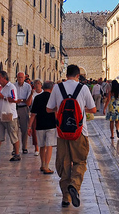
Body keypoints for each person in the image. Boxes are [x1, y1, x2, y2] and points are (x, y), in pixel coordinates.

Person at [46, 64, 97, 208]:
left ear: (66, 74)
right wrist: (81, 108)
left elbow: (49, 108)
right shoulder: (83, 88)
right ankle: (74, 185)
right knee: (80, 161)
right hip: (79, 132)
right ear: (78, 75)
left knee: (64, 163)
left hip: (62, 132)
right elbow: (93, 109)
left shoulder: (57, 88)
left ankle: (65, 198)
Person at [30, 81, 57, 174]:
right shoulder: (53, 98)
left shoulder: (37, 98)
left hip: (40, 125)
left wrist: (29, 126)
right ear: (52, 88)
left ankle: (42, 164)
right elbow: (56, 112)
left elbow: (33, 114)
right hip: (51, 125)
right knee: (49, 146)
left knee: (42, 146)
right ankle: (46, 166)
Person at [14, 72, 33, 154]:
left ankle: (24, 147)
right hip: (15, 108)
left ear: (24, 78)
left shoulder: (27, 86)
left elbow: (28, 101)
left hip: (23, 108)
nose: (20, 79)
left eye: (22, 77)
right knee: (14, 129)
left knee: (24, 129)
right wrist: (21, 100)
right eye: (19, 77)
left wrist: (21, 100)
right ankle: (15, 148)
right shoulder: (14, 86)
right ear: (17, 78)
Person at [30, 80, 43, 155]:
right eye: (36, 83)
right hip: (34, 114)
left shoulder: (44, 93)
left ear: (41, 85)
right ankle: (36, 148)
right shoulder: (32, 94)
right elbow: (29, 103)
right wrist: (30, 94)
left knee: (42, 131)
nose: (37, 85)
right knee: (34, 131)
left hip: (42, 114)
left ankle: (42, 147)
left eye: (38, 83)